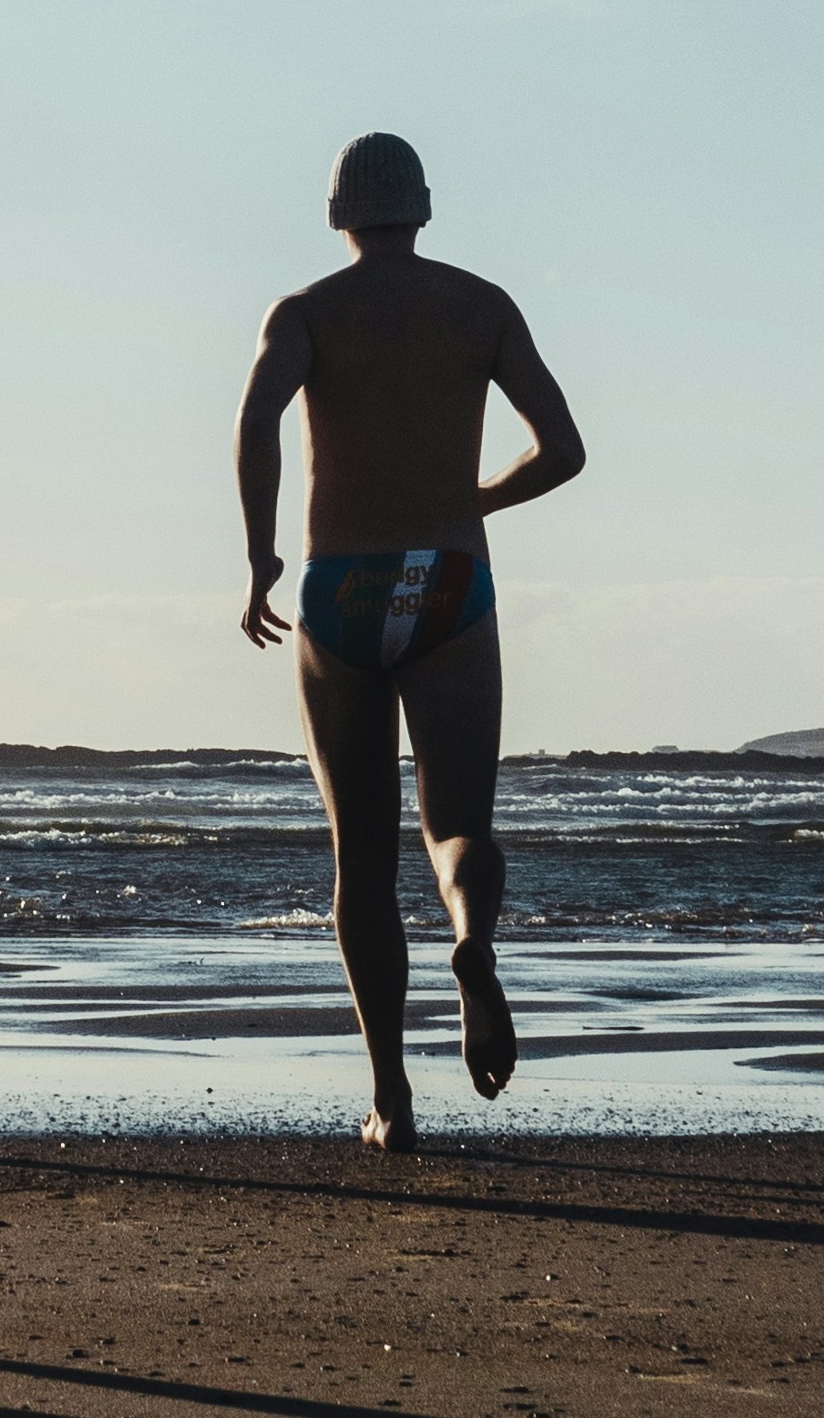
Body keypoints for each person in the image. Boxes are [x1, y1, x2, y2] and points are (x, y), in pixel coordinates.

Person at [235, 132, 584, 1151]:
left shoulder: (304, 311)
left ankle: (390, 1096)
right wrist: (471, 497)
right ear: (422, 209)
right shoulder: (479, 304)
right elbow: (561, 449)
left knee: (360, 860)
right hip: (445, 579)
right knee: (456, 824)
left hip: (338, 583)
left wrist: (258, 552)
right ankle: (471, 943)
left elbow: (256, 415)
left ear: (338, 215)